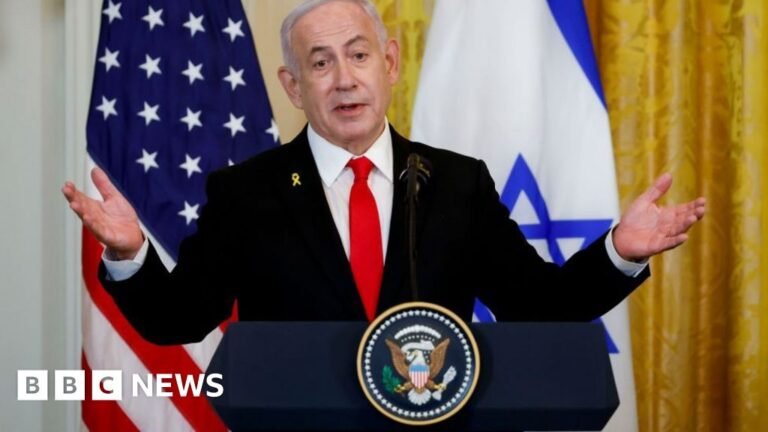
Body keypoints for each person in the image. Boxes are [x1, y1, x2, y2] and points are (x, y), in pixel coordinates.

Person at [61, 0, 705, 345]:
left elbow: (541, 309)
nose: (344, 79)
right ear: (293, 85)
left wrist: (619, 251)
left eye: (359, 55)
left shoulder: (457, 185)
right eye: (320, 63)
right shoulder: (246, 194)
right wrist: (130, 252)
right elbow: (177, 321)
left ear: (390, 63)